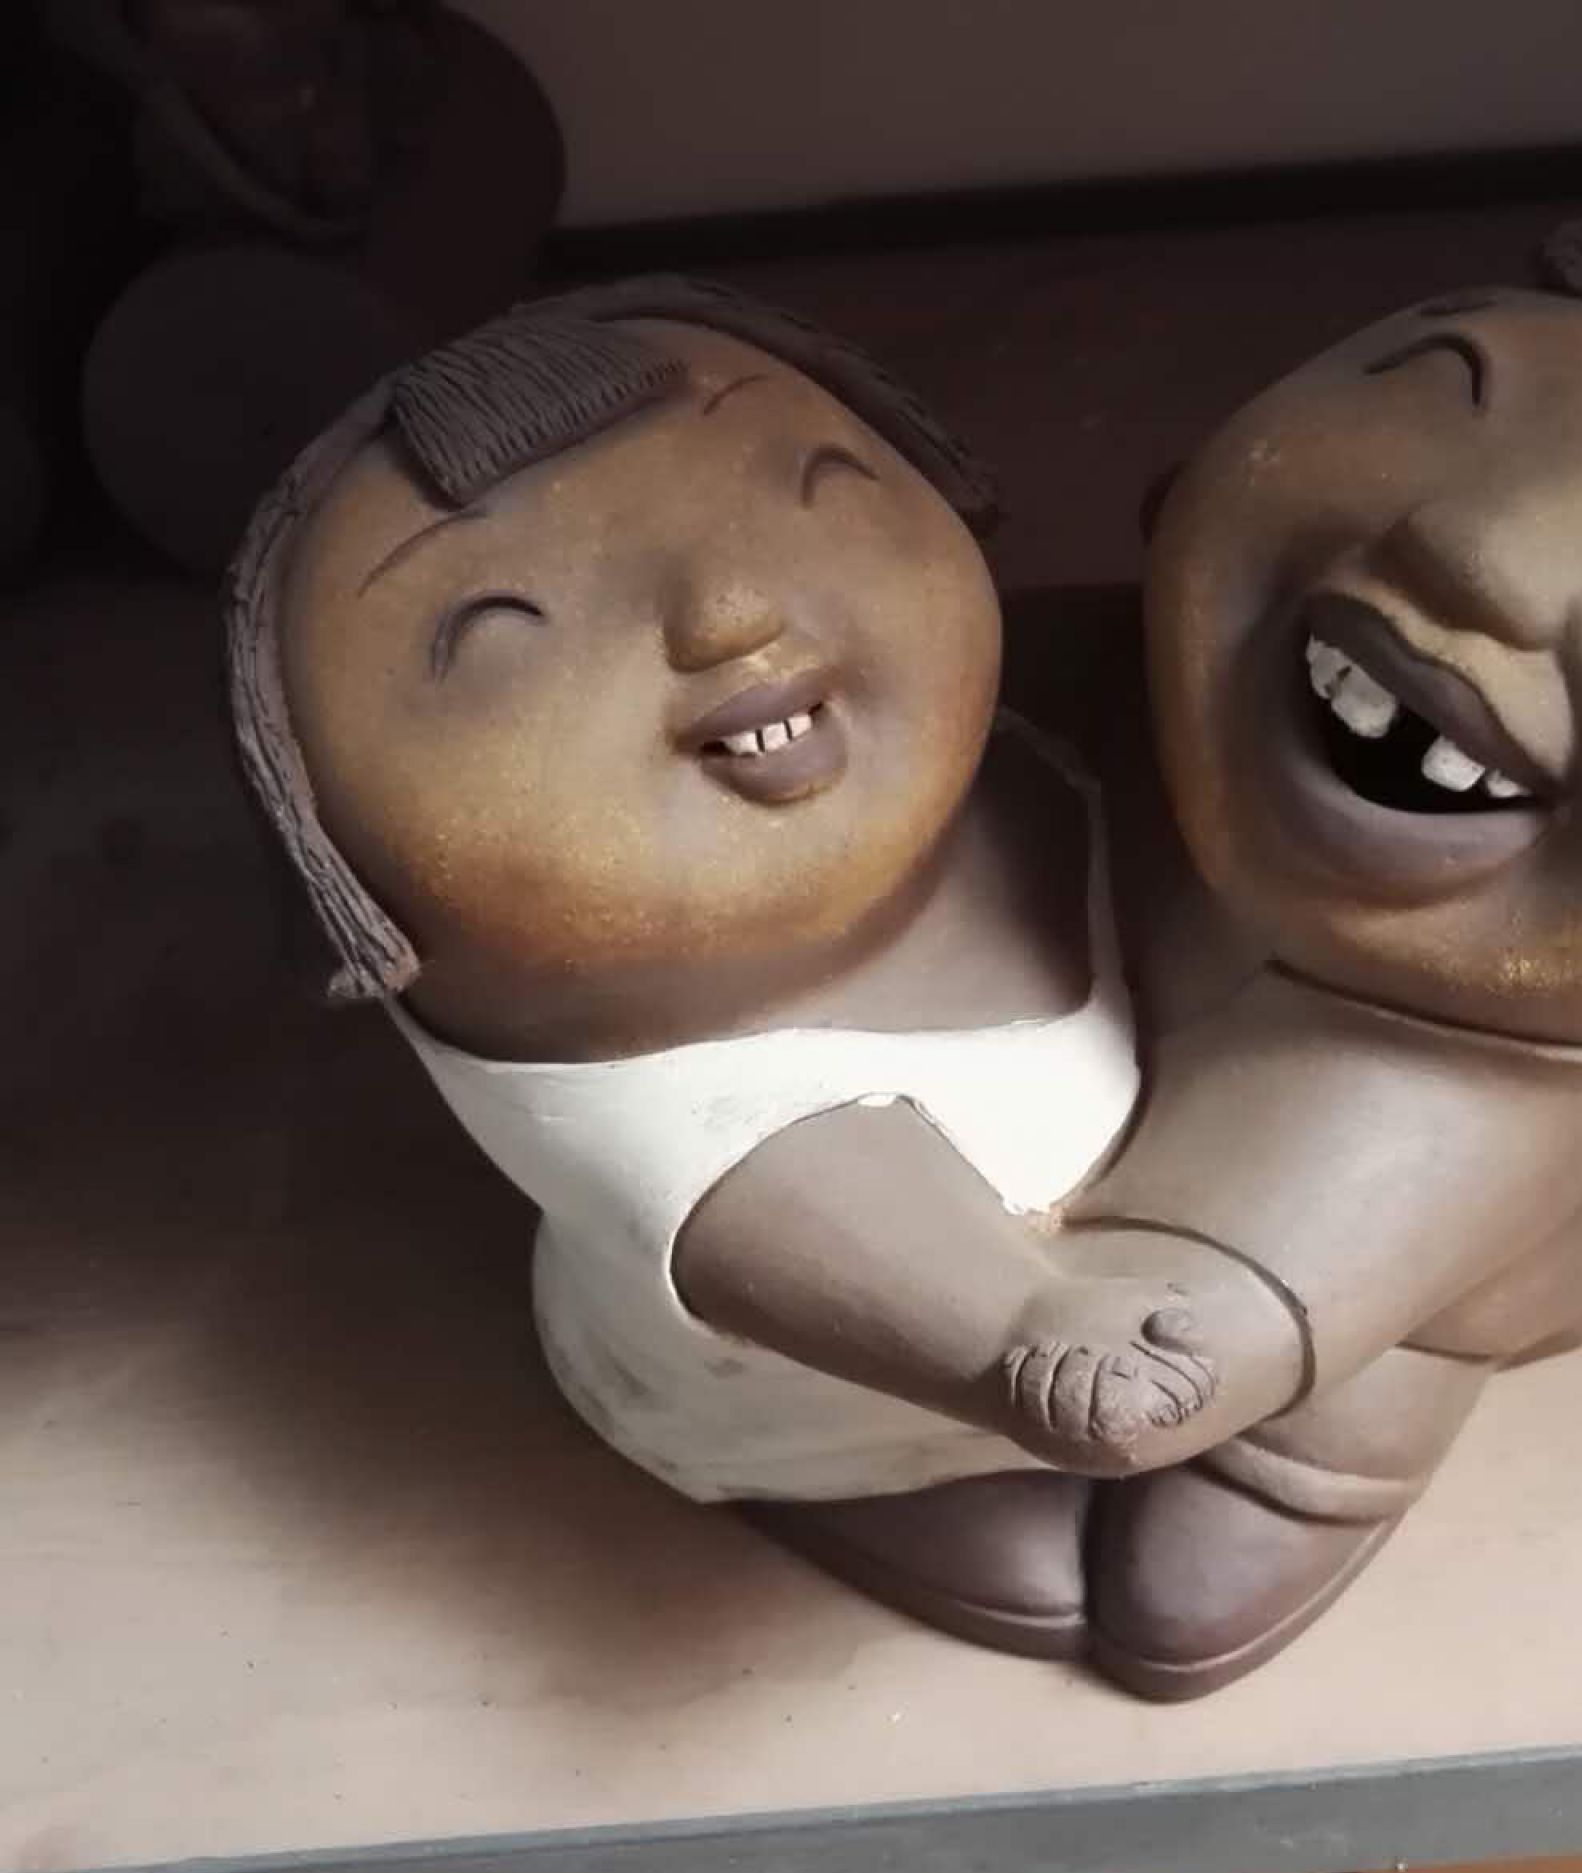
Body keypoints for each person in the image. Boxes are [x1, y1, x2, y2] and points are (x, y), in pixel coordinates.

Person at [226, 275, 1302, 1661]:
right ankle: (863, 1492)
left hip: (1159, 1236)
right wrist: (1033, 1332)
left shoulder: (942, 765)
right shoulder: (704, 1114)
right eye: (506, 630)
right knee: (923, 1462)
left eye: (808, 487)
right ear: (326, 835)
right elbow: (881, 1256)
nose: (731, 610)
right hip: (826, 1389)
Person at [1042, 220, 1582, 1696]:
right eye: (1450, 399)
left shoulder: (1464, 1101)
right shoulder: (1117, 709)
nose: (1477, 551)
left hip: (1361, 1303)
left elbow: (1187, 1345)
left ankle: (1317, 1475)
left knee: (1261, 1483)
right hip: (1086, 1101)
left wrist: (919, 1353)